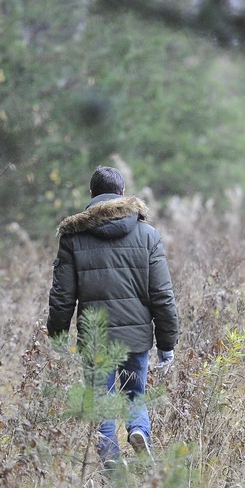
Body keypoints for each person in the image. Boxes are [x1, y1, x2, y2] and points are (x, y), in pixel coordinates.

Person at [47, 166, 179, 463]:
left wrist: (57, 335)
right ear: (122, 194)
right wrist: (167, 344)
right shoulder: (148, 235)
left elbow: (62, 297)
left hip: (96, 339)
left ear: (92, 195)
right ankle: (139, 431)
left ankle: (111, 466)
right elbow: (162, 295)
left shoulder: (72, 238)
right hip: (137, 337)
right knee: (135, 394)